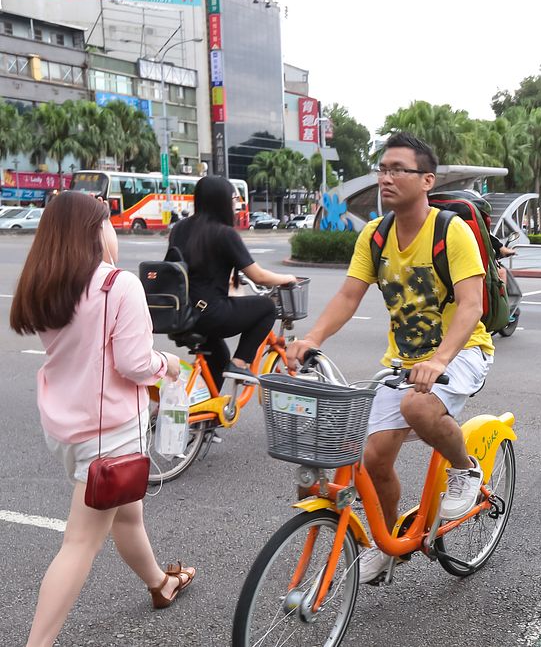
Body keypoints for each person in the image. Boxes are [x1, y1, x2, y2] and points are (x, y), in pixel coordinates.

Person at [286, 132, 494, 583]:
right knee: (374, 458)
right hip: (403, 363)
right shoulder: (374, 235)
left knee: (417, 405)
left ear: (426, 180)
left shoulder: (450, 231)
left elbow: (472, 306)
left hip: (462, 352)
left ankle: (466, 469)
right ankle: (387, 544)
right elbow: (348, 294)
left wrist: (439, 360)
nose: (386, 177)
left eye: (398, 169)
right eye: (382, 168)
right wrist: (313, 336)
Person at [10, 192, 193, 647]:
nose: (113, 229)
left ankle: (160, 584)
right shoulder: (117, 285)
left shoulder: (46, 283)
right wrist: (166, 364)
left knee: (127, 514)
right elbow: (133, 363)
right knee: (79, 544)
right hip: (107, 433)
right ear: (94, 231)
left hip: (66, 426)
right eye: (107, 221)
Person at [168, 176, 296, 387]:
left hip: (183, 314)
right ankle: (240, 363)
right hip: (210, 313)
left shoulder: (180, 229)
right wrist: (287, 278)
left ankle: (205, 415)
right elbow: (259, 277)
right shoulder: (224, 233)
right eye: (233, 198)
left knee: (217, 358)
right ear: (222, 201)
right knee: (266, 307)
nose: (235, 203)